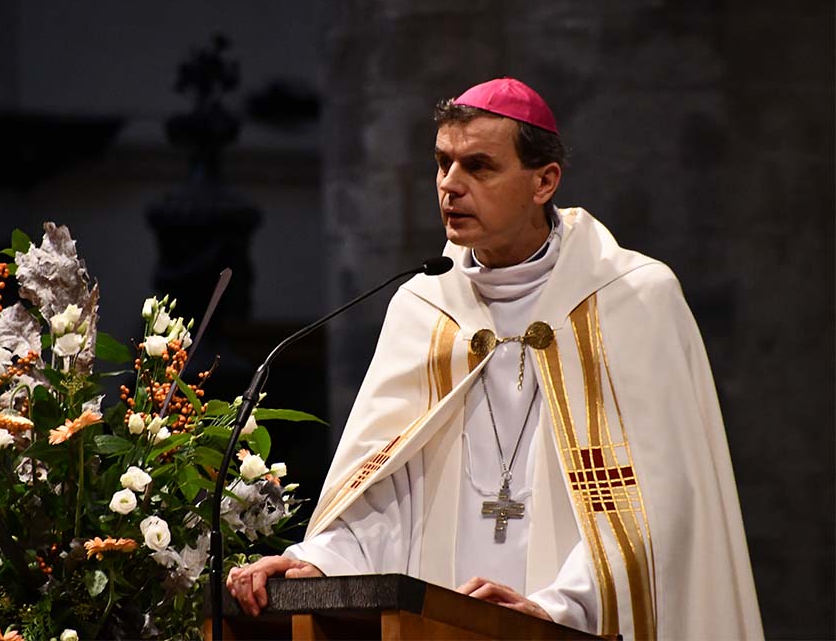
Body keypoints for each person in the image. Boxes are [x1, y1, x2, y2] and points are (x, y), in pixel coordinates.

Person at [227, 77, 763, 640]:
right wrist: (321, 562)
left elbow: (659, 503)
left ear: (544, 181)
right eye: (442, 164)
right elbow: (389, 496)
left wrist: (557, 607)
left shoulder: (632, 298)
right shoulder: (425, 306)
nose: (450, 186)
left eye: (478, 167)